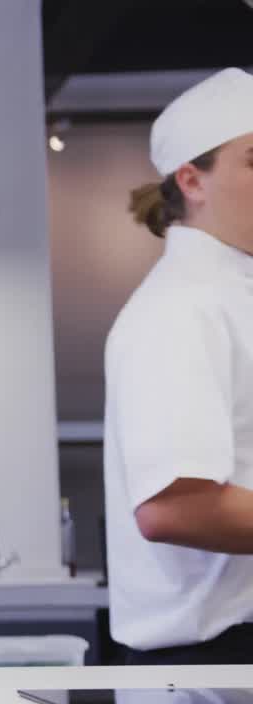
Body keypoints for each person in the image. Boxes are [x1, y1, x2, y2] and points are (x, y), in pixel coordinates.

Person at [105, 67, 253, 665]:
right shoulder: (180, 307)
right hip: (212, 660)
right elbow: (174, 507)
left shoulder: (229, 294)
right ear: (191, 180)